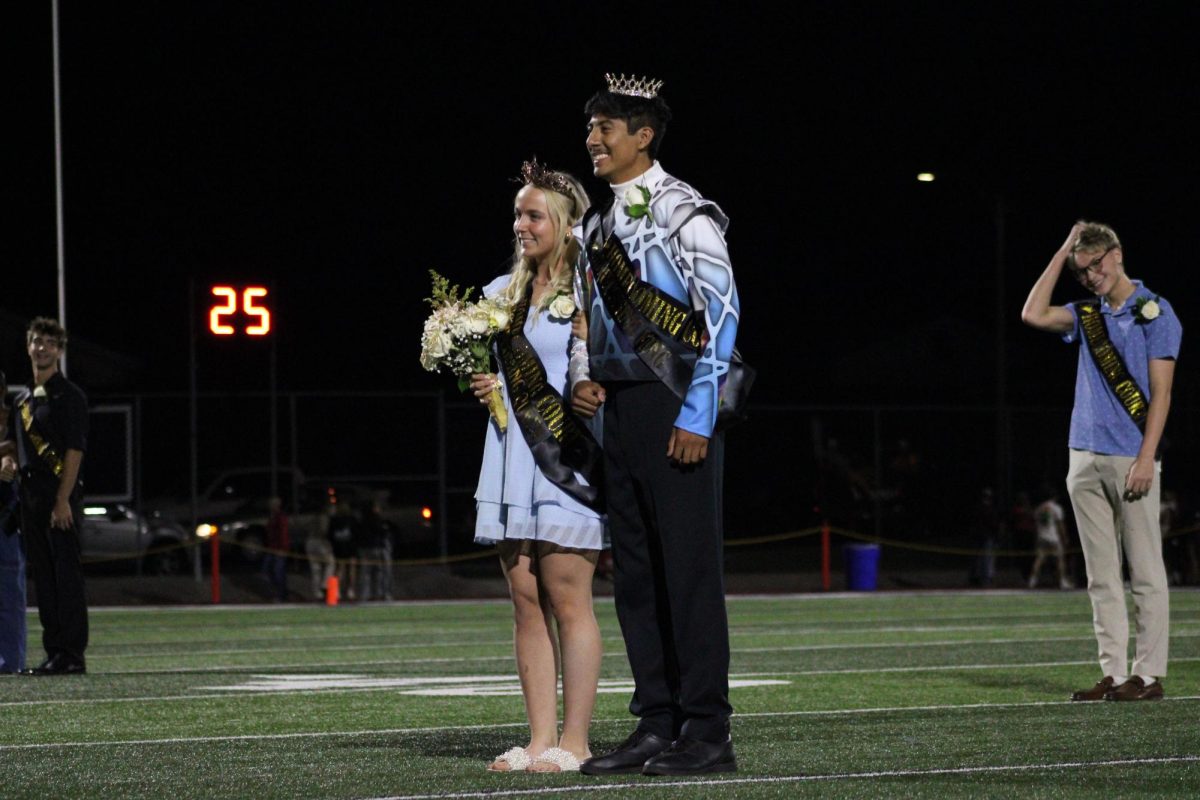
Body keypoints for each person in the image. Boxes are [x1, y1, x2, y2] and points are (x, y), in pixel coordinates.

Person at [570, 74, 740, 776]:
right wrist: (583, 372)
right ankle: (655, 722)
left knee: (689, 573)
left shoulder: (684, 213)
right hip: (618, 407)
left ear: (643, 135)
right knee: (635, 577)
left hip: (675, 405)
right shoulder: (596, 226)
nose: (592, 139)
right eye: (589, 127)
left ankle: (707, 733)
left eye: (606, 126)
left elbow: (722, 315)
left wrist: (700, 413)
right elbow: (585, 315)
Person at [470, 159, 604, 774]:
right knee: (525, 597)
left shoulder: (592, 291)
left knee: (567, 595)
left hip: (564, 459)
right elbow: (501, 371)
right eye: (518, 214)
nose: (520, 224)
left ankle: (574, 742)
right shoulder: (502, 294)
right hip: (510, 453)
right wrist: (485, 382)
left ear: (564, 222)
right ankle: (537, 738)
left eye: (533, 215)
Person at [1021, 221, 1181, 702]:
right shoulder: (1086, 313)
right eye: (1082, 269)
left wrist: (1147, 457)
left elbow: (1162, 393)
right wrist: (1060, 250)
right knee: (1100, 574)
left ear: (1116, 253)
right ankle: (1112, 674)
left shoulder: (1156, 313)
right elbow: (1032, 313)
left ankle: (1148, 675)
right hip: (1083, 456)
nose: (1091, 275)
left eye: (1096, 263)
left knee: (1146, 570)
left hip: (1131, 457)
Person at [9, 318, 90, 675]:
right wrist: (8, 458)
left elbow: (74, 451)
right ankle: (54, 651)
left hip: (59, 495)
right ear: (28, 346)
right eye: (36, 341)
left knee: (66, 577)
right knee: (43, 577)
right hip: (30, 499)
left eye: (49, 343)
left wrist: (62, 500)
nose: (42, 348)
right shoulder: (22, 398)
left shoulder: (69, 396)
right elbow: (18, 444)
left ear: (59, 350)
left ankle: (72, 654)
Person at [1, 369, 28, 675]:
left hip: (7, 513)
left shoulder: (16, 417)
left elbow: (24, 452)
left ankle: (11, 660)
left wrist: (10, 459)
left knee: (10, 592)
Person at [1028, 485, 1071, 589]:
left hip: (1041, 537)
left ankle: (1032, 580)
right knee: (1059, 560)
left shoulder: (1038, 509)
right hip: (1053, 538)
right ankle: (1062, 582)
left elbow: (1035, 525)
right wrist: (1065, 538)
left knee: (1039, 559)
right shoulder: (1056, 508)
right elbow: (1060, 524)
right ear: (1054, 497)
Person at [305, 503, 337, 601]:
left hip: (310, 542)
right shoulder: (324, 517)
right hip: (319, 542)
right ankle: (324, 585)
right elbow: (323, 531)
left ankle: (316, 592)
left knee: (316, 569)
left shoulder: (312, 518)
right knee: (331, 563)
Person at [263, 496, 289, 602]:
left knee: (279, 572)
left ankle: (282, 595)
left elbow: (283, 534)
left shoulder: (280, 517)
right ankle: (280, 591)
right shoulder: (271, 517)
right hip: (271, 548)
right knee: (267, 569)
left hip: (279, 549)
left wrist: (282, 549)